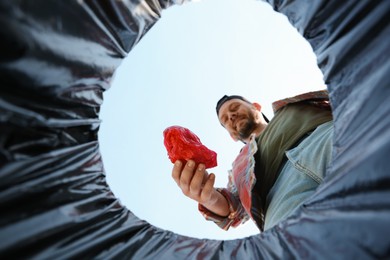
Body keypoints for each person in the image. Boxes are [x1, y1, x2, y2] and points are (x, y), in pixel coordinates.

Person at [171, 90, 333, 231]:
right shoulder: (238, 167)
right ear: (232, 135)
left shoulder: (291, 109)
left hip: (323, 138)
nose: (231, 116)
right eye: (226, 120)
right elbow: (233, 209)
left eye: (234, 108)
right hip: (280, 194)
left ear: (256, 106)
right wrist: (207, 197)